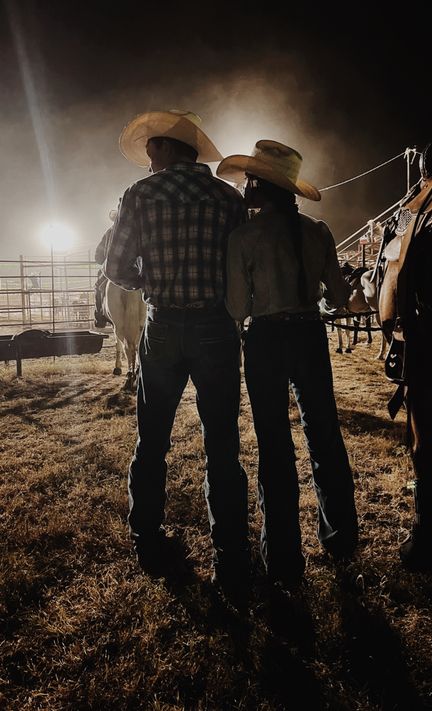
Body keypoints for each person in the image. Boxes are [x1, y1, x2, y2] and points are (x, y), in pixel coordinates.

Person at [103, 110, 249, 596]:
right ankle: (230, 557)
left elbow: (117, 265)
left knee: (153, 440)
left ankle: (147, 538)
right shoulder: (228, 199)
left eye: (152, 151)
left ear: (167, 148)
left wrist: (152, 284)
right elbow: (239, 266)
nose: (148, 160)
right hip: (214, 327)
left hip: (164, 324)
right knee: (222, 445)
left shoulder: (141, 195)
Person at [217, 140, 358, 591]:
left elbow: (237, 307)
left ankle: (281, 554)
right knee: (324, 434)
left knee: (274, 443)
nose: (244, 188)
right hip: (309, 334)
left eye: (249, 181)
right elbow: (338, 297)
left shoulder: (244, 238)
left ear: (260, 186)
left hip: (266, 339)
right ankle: (341, 537)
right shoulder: (318, 231)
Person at [93, 210, 116, 329]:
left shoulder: (109, 232)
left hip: (112, 269)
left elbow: (98, 256)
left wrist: (104, 261)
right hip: (135, 270)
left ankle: (100, 318)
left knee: (98, 287)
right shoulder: (134, 230)